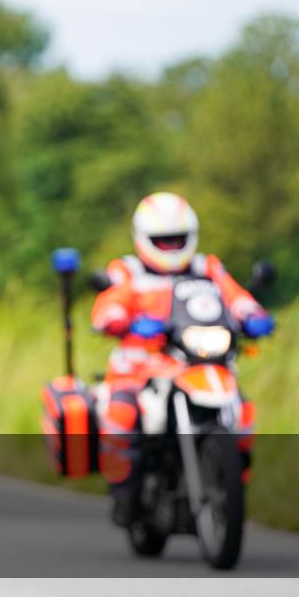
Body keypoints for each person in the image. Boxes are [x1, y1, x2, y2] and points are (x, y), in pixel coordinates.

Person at [90, 192, 273, 524]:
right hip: (141, 367)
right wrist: (117, 318)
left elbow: (235, 297)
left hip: (197, 360)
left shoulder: (207, 267)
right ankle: (125, 493)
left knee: (242, 412)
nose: (172, 247)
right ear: (144, 238)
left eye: (177, 239)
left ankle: (230, 488)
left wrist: (253, 315)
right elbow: (109, 304)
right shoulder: (128, 271)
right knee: (121, 414)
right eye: (163, 240)